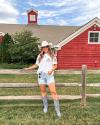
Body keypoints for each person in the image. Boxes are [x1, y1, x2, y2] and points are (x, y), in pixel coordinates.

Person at [24, 40, 61, 117]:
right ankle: (45, 107)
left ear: (48, 47)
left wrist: (51, 70)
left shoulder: (52, 55)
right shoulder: (39, 56)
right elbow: (36, 65)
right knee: (43, 91)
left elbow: (55, 65)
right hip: (41, 76)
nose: (45, 48)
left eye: (46, 46)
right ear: (42, 48)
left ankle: (58, 111)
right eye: (43, 47)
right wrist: (28, 68)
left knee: (53, 92)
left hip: (49, 76)